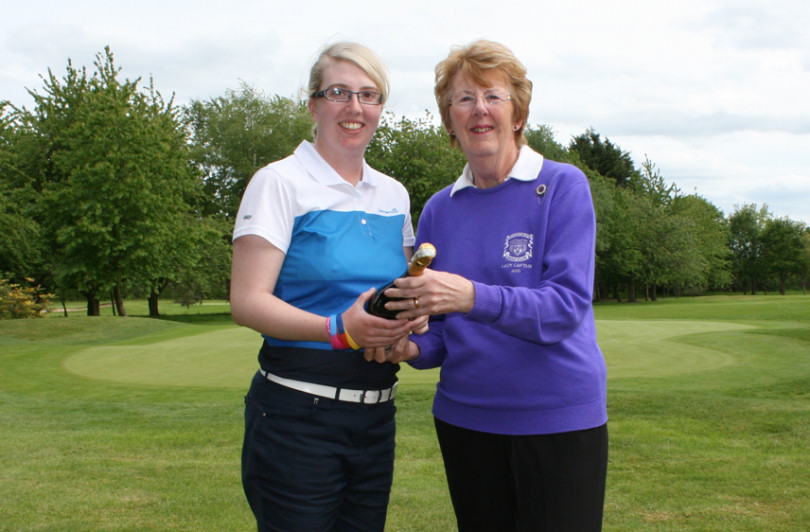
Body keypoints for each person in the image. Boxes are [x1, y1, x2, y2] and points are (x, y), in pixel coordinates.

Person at [369, 40, 608, 531]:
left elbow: (564, 307)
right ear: (450, 121)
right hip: (466, 421)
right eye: (463, 99)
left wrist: (471, 296)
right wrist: (409, 348)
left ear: (517, 113)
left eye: (493, 96)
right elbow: (437, 334)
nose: (479, 110)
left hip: (558, 419)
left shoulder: (563, 186)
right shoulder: (439, 208)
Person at [230, 41, 426, 532]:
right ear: (313, 103)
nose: (355, 108)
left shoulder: (394, 194)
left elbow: (399, 291)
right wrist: (341, 330)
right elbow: (247, 301)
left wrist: (409, 319)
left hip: (375, 418)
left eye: (369, 95)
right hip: (298, 419)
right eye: (339, 92)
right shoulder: (279, 182)